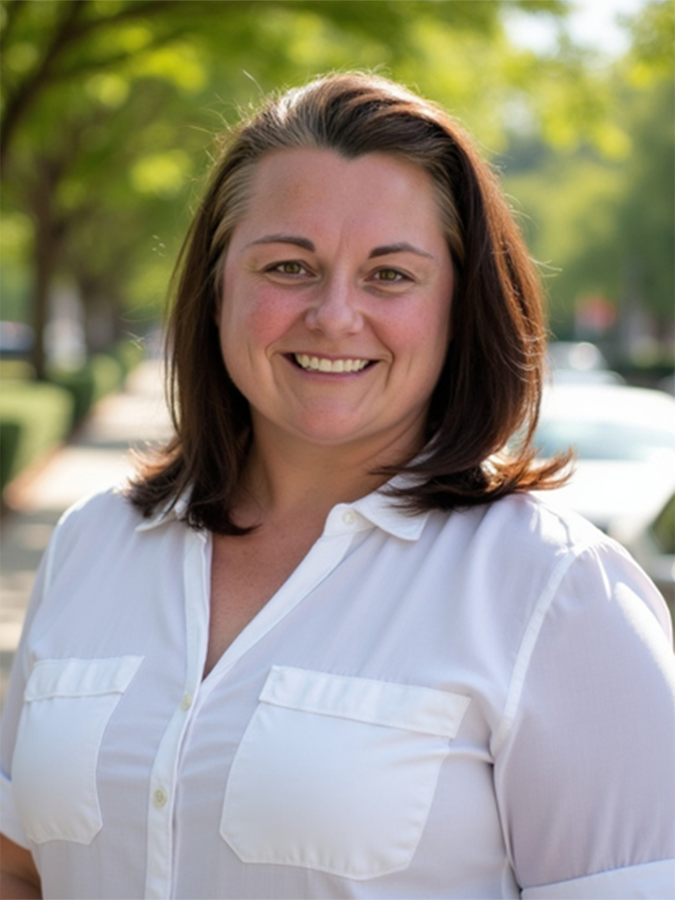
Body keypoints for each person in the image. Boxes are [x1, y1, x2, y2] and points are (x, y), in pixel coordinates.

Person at [1, 72, 674, 900]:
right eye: (288, 266)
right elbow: (21, 866)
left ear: (458, 309)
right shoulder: (91, 545)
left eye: (390, 275)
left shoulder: (558, 593)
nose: (334, 315)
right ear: (217, 288)